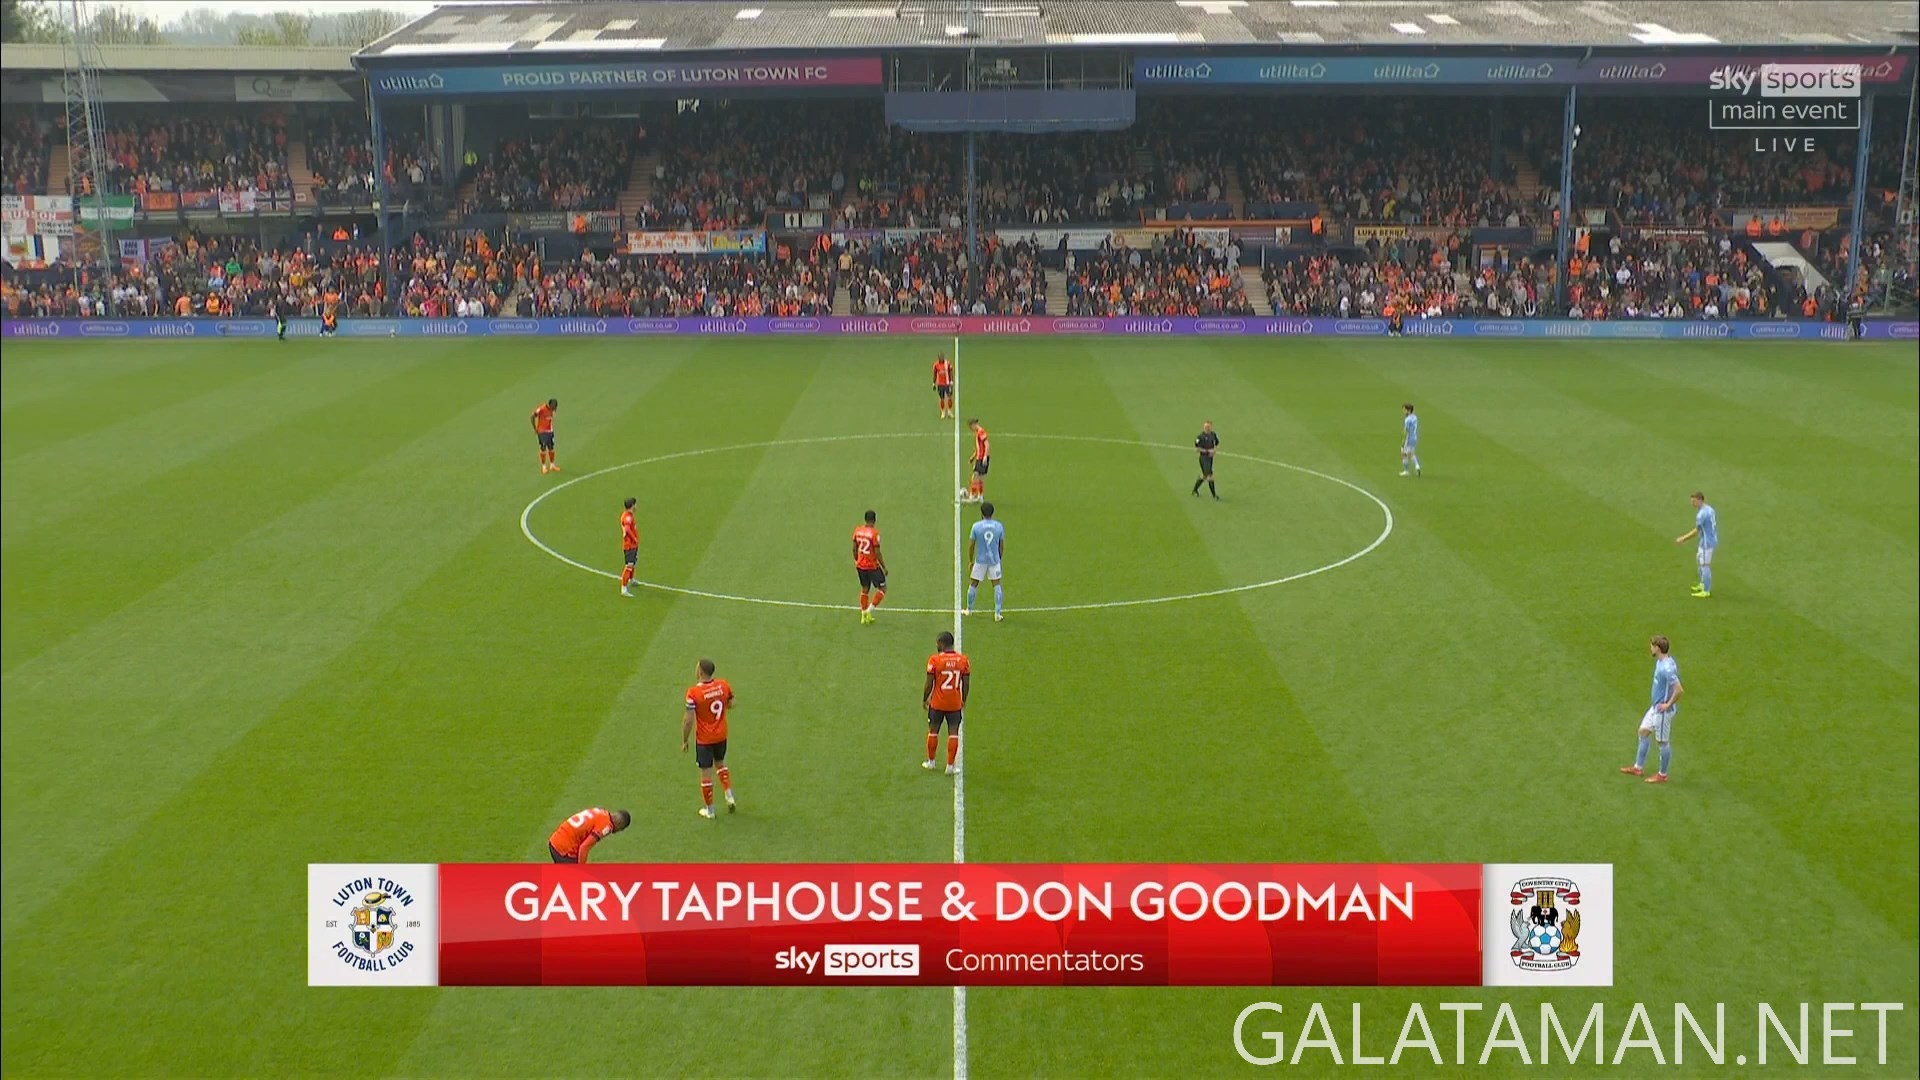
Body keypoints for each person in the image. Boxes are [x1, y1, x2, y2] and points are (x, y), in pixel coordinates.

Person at [1620, 636, 1683, 784]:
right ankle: (1638, 768)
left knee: (1662, 742)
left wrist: (1668, 704)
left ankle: (1662, 775)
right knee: (1643, 732)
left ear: (1658, 648)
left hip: (1662, 711)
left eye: (1652, 646)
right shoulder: (1661, 662)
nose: (1650, 648)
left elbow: (1679, 690)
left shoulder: (1667, 668)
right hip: (1655, 707)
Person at [682, 658, 736, 819]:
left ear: (700, 672)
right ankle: (729, 795)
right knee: (720, 763)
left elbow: (688, 720)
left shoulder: (693, 693)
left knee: (706, 773)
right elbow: (732, 703)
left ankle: (710, 810)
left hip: (705, 739)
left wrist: (685, 740)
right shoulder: (723, 685)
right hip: (721, 734)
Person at [923, 630, 970, 775]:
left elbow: (929, 683)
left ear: (942, 644)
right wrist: (963, 699)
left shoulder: (934, 660)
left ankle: (931, 762)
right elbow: (966, 684)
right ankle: (950, 766)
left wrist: (925, 698)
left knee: (933, 731)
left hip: (937, 703)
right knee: (953, 733)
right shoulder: (963, 660)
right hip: (954, 703)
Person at [964, 501, 1006, 622]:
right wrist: (999, 558)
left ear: (981, 513)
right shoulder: (999, 526)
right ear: (992, 513)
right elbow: (1001, 545)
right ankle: (997, 613)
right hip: (994, 560)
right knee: (997, 585)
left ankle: (969, 610)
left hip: (980, 560)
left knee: (974, 583)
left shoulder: (976, 526)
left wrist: (970, 560)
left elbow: (971, 545)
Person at [547, 807, 630, 863]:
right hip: (564, 849)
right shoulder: (606, 826)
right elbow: (584, 847)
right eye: (621, 829)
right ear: (620, 823)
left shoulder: (601, 812)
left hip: (556, 839)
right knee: (575, 879)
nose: (618, 831)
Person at [1675, 492, 1717, 598]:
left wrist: (1683, 538)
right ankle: (1703, 584)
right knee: (1699, 560)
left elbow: (1696, 531)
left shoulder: (1701, 514)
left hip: (1707, 542)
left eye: (1694, 501)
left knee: (1705, 565)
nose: (1692, 504)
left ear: (1700, 500)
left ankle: (1706, 591)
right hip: (1707, 539)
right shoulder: (1709, 509)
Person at [854, 509, 887, 624]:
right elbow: (877, 553)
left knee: (865, 588)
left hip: (860, 566)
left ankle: (863, 615)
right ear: (874, 520)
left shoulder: (857, 531)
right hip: (872, 566)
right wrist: (884, 567)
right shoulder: (874, 533)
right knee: (882, 588)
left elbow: (854, 548)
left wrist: (857, 560)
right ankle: (868, 611)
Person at [1191, 420, 1220, 499]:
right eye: (1206, 427)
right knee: (1210, 476)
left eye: (1208, 427)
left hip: (1210, 459)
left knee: (1204, 476)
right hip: (1204, 458)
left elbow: (1217, 444)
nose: (1207, 428)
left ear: (1211, 427)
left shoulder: (1214, 435)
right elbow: (1197, 449)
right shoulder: (1200, 437)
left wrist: (1214, 450)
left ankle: (1195, 490)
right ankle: (1214, 495)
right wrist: (1207, 451)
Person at [531, 398, 558, 474]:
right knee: (543, 448)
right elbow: (532, 416)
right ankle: (544, 467)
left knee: (551, 448)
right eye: (554, 406)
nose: (555, 408)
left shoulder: (552, 410)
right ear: (550, 405)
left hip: (550, 431)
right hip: (542, 432)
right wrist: (535, 428)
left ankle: (552, 465)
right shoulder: (542, 409)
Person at [966, 419, 990, 502]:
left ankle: (972, 495)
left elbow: (987, 444)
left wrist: (985, 456)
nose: (971, 429)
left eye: (971, 427)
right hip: (979, 457)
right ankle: (980, 496)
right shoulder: (978, 433)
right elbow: (979, 447)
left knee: (975, 477)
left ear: (974, 424)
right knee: (979, 477)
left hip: (981, 458)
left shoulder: (981, 432)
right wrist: (973, 457)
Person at [620, 497, 640, 598]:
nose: (636, 506)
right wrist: (634, 539)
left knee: (633, 563)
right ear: (632, 505)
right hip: (629, 545)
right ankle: (624, 589)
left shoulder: (629, 515)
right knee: (629, 565)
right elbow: (627, 529)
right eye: (635, 504)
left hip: (633, 545)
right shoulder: (627, 517)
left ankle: (631, 580)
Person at [1399, 403, 1421, 477]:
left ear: (1408, 410)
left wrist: (1403, 441)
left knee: (1403, 454)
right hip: (1414, 437)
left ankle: (1406, 471)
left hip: (1408, 438)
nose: (1403, 411)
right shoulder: (1415, 417)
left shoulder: (1407, 420)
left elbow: (1406, 431)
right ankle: (1417, 466)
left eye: (1404, 410)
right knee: (1411, 454)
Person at [933, 353, 954, 419]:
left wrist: (951, 381)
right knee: (942, 398)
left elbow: (951, 372)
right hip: (940, 384)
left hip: (947, 384)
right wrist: (934, 383)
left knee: (949, 397)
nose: (941, 358)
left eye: (942, 357)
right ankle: (943, 412)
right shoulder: (936, 365)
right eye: (940, 357)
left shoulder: (947, 363)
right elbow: (935, 374)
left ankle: (949, 412)